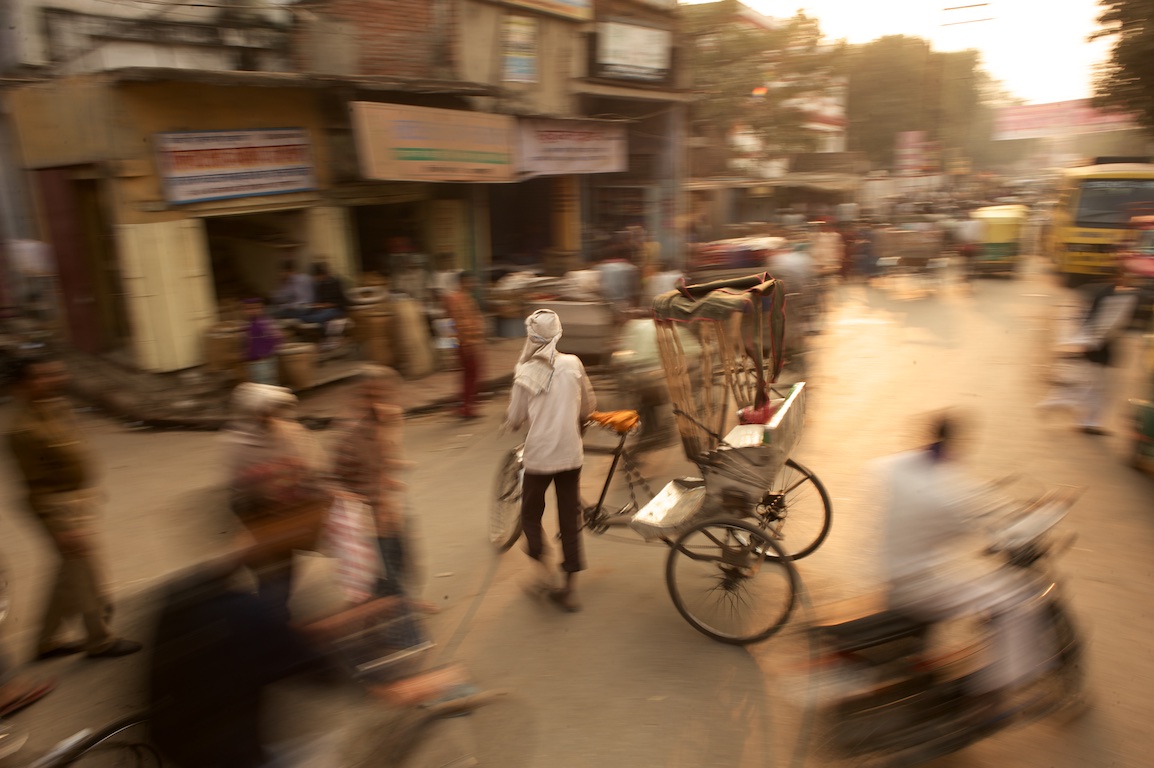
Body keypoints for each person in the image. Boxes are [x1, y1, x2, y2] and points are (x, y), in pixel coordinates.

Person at [877, 415, 1052, 705]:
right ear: (956, 443)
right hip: (922, 587)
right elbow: (992, 523)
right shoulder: (945, 490)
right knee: (1015, 599)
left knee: (974, 580)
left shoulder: (899, 467)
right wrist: (1041, 516)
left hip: (890, 576)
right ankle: (992, 689)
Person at [5, 356, 142, 659]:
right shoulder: (22, 430)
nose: (47, 380)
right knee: (84, 572)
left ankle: (45, 641)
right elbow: (36, 486)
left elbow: (74, 450)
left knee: (68, 571)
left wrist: (89, 492)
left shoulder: (55, 408)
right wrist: (60, 528)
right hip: (56, 507)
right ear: (20, 387)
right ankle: (100, 640)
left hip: (77, 499)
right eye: (37, 378)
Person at [503, 309, 596, 613]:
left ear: (531, 337)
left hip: (539, 456)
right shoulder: (573, 364)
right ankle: (569, 590)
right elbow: (589, 405)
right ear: (558, 334)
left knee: (530, 515)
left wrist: (518, 421)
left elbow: (515, 418)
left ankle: (544, 570)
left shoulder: (525, 371)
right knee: (570, 518)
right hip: (571, 454)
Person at [222, 383, 332, 622]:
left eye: (271, 411)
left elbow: (315, 470)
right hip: (260, 517)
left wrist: (322, 498)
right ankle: (273, 621)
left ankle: (270, 615)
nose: (268, 417)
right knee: (274, 576)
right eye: (263, 412)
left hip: (291, 516)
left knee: (282, 571)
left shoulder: (292, 433)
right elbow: (238, 492)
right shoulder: (237, 444)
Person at [331, 366, 432, 610]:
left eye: (384, 394)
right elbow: (334, 478)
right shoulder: (350, 435)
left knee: (403, 558)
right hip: (369, 515)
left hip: (392, 505)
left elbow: (385, 455)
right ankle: (395, 618)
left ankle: (404, 602)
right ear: (358, 398)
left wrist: (392, 471)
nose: (377, 401)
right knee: (385, 570)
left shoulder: (389, 418)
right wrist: (353, 500)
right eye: (370, 395)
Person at [1039, 268, 1139, 434]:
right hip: (1098, 350)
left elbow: (1087, 318)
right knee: (1098, 388)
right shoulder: (1112, 297)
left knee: (1092, 387)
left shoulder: (1101, 293)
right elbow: (1102, 324)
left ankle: (1083, 418)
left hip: (1095, 348)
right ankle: (1085, 419)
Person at [441, 272, 486, 420]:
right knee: (470, 375)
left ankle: (466, 405)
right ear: (462, 282)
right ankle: (466, 407)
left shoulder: (467, 298)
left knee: (470, 375)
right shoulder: (455, 299)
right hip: (465, 343)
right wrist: (457, 345)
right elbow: (454, 323)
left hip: (471, 342)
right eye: (469, 282)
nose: (471, 284)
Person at [241, 298, 282, 386]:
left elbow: (277, 337)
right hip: (253, 360)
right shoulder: (247, 324)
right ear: (244, 310)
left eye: (256, 308)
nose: (253, 311)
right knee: (258, 383)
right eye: (249, 309)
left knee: (267, 383)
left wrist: (270, 350)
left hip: (265, 358)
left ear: (261, 309)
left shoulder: (266, 322)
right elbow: (246, 342)